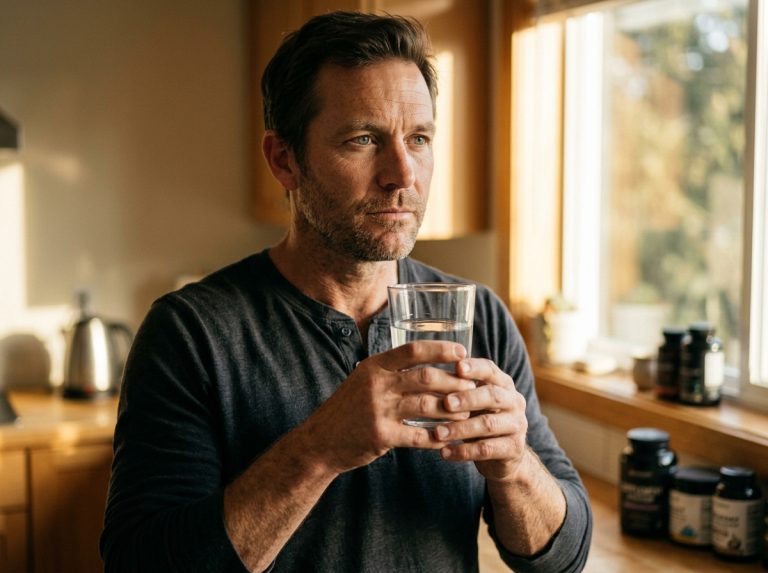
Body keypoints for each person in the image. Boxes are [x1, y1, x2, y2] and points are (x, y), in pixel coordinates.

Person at [100, 10, 592, 573]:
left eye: (420, 138)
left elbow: (564, 558)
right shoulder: (192, 333)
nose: (402, 174)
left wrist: (515, 468)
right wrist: (318, 449)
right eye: (363, 140)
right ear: (285, 160)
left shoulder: (480, 319)